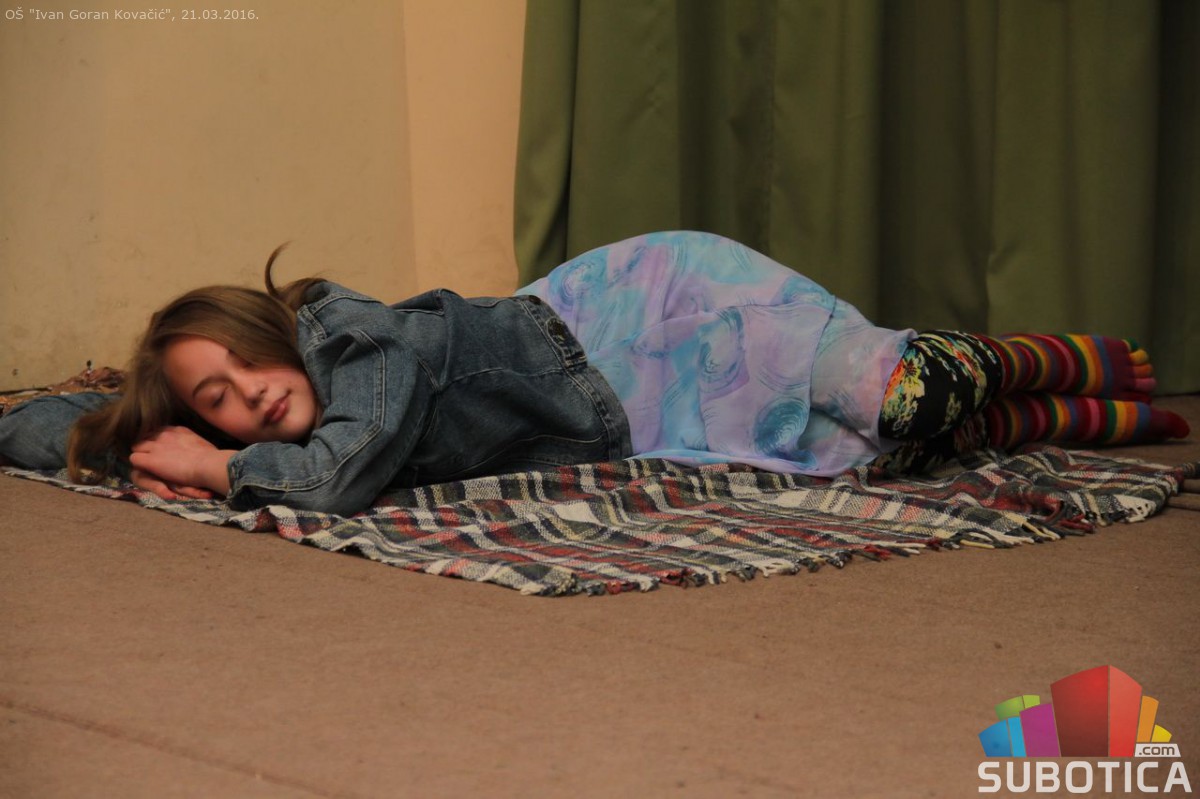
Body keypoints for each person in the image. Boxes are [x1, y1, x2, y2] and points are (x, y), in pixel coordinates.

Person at [0, 231, 1187, 516]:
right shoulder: (290, 419)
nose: (248, 394)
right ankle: (1074, 411)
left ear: (274, 330)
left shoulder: (354, 341)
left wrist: (219, 469)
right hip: (643, 412)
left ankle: (1036, 357)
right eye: (215, 400)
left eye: (243, 364)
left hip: (648, 312)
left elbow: (335, 477)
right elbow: (81, 424)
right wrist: (87, 430)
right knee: (894, 448)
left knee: (899, 393)